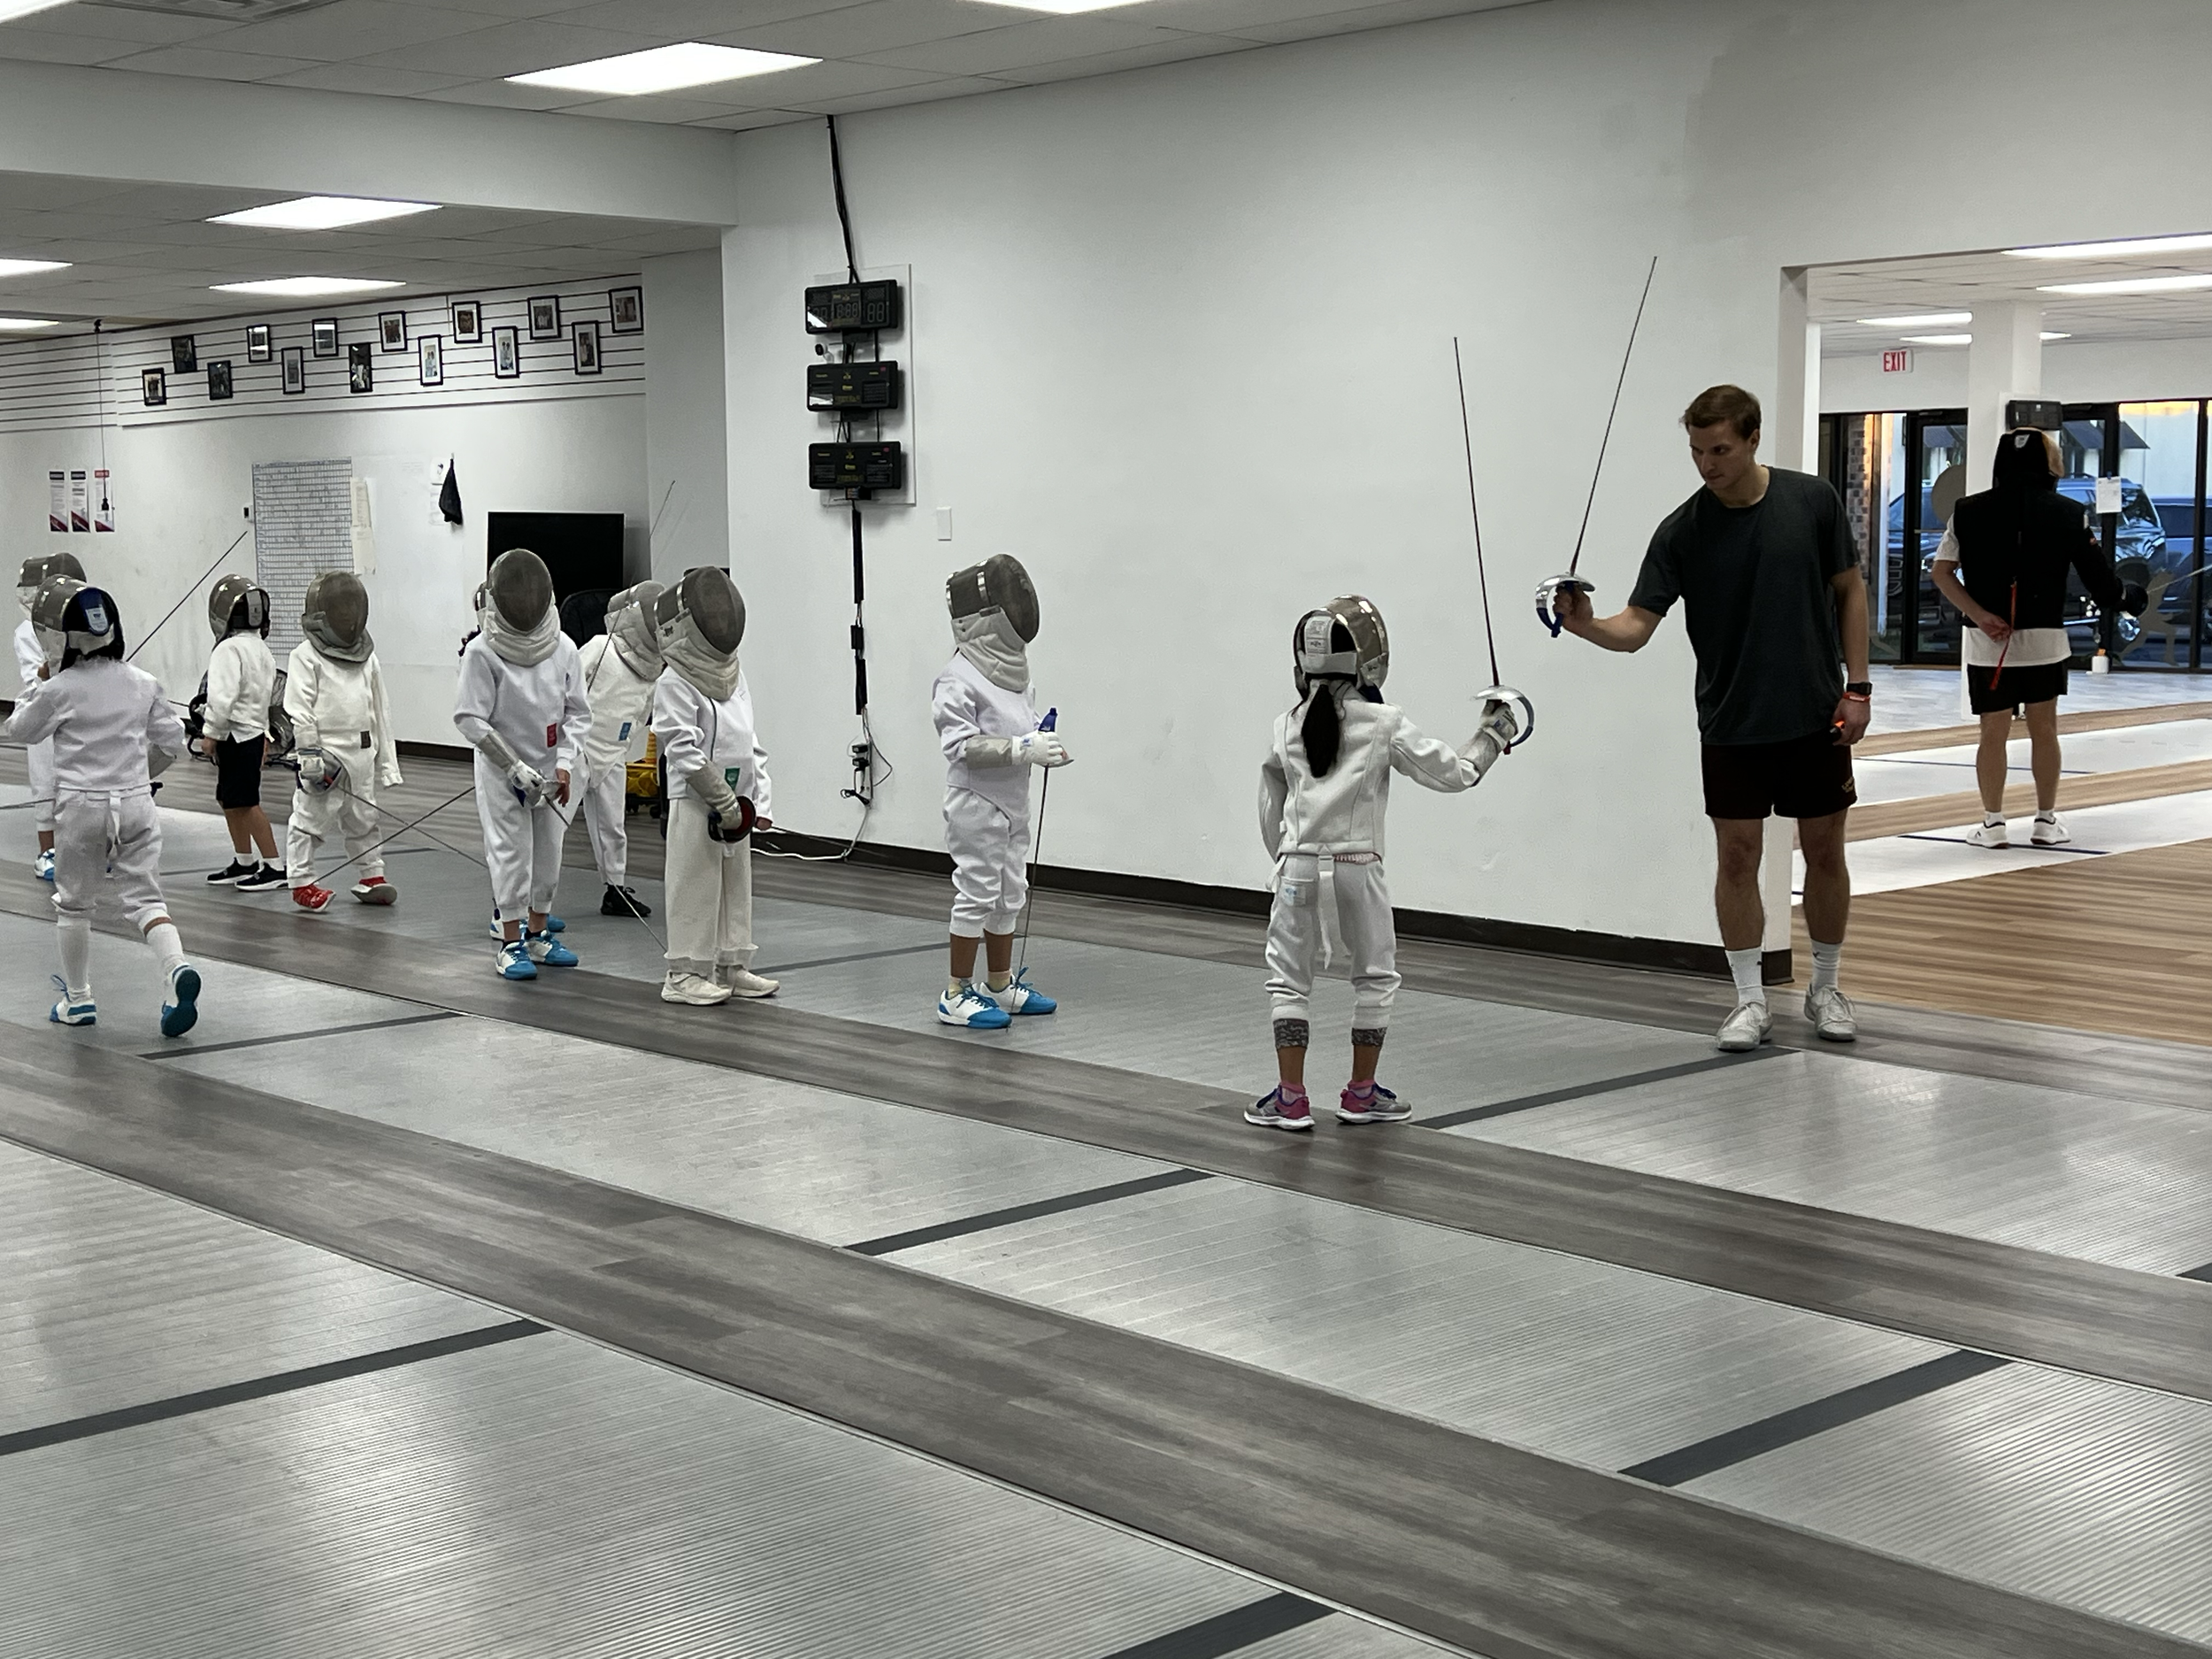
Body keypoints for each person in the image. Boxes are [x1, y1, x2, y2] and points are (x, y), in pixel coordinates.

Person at [1553, 384, 1870, 1050]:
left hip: (1815, 714)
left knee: (1824, 851)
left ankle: (1827, 987)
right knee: (1737, 856)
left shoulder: (1812, 501)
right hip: (1730, 721)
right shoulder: (1682, 531)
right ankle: (1750, 1001)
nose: (1707, 464)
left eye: (1720, 450)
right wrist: (1586, 625)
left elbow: (1849, 590)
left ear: (1753, 439)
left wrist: (1859, 688)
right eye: (1697, 451)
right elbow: (1635, 628)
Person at [1247, 597, 1524, 1132]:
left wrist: (1285, 862)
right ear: (1369, 659)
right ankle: (1361, 1094)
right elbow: (1456, 774)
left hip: (1297, 868)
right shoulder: (1383, 722)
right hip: (1358, 869)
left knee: (1288, 982)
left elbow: (1268, 811)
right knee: (1374, 979)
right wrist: (1494, 732)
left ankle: (1290, 1099)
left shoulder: (1284, 725)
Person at [1, 576, 200, 1036]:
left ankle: (78, 999)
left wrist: (37, 683)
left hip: (82, 808)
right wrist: (139, 773)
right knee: (147, 899)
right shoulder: (143, 682)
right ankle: (175, 968)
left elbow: (20, 730)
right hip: (136, 803)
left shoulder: (60, 689)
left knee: (74, 906)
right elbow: (173, 740)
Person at [1932, 427, 2147, 849]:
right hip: (2046, 642)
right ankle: (2046, 821)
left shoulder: (1967, 511)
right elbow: (2102, 584)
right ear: (2047, 464)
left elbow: (1942, 572)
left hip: (1987, 645)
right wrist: (2130, 598)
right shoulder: (2068, 512)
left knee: (1991, 732)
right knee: (2044, 730)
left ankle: (1993, 824)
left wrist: (1980, 615)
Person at [932, 554, 1071, 1031]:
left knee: (1011, 894)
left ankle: (998, 984)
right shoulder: (956, 678)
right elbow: (960, 746)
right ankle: (955, 993)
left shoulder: (1015, 673)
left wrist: (1041, 740)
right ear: (985, 618)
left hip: (1013, 802)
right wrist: (1022, 748)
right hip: (976, 803)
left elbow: (1018, 729)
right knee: (977, 892)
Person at [455, 548, 590, 981]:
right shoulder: (481, 653)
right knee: (510, 852)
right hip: (502, 771)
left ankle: (538, 933)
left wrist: (565, 763)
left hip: (552, 770)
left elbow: (577, 713)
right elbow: (469, 717)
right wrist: (512, 765)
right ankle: (510, 942)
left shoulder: (564, 647)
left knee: (549, 852)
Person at [651, 567, 779, 1006]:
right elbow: (681, 750)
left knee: (736, 886)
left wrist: (759, 800)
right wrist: (722, 800)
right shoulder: (673, 682)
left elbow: (749, 741)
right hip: (695, 802)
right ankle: (683, 974)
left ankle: (731, 965)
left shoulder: (733, 675)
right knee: (694, 885)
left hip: (737, 804)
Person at [285, 572, 402, 911]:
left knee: (365, 817)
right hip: (326, 753)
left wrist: (387, 764)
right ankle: (301, 881)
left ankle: (372, 875)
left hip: (362, 751)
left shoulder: (367, 656)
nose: (348, 615)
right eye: (340, 608)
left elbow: (380, 710)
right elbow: (299, 707)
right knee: (310, 818)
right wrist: (309, 754)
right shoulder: (305, 656)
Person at [575, 580, 663, 918]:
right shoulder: (601, 647)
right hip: (577, 750)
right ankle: (533, 903)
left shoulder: (652, 667)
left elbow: (642, 713)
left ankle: (615, 889)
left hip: (613, 753)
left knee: (612, 825)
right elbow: (568, 688)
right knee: (552, 826)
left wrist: (623, 745)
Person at [198, 574, 287, 892]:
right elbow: (264, 699)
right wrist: (263, 737)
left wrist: (211, 733)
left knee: (246, 803)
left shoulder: (227, 649)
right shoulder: (262, 649)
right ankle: (244, 861)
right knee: (230, 800)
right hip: (249, 736)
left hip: (235, 736)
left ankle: (275, 866)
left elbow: (223, 696)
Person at [13, 550, 85, 881]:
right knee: (46, 781)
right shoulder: (26, 632)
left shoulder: (87, 624)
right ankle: (47, 852)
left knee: (83, 783)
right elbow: (36, 679)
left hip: (81, 709)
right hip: (44, 708)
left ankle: (85, 850)